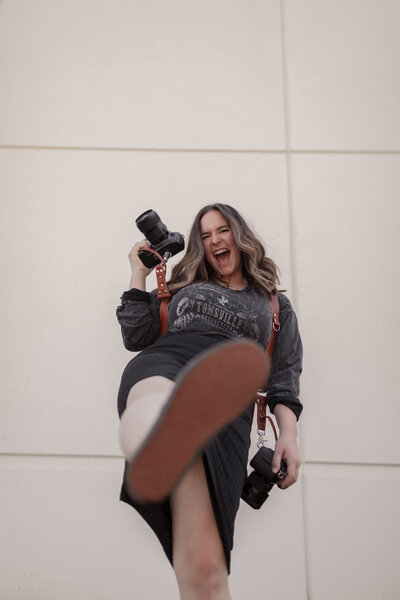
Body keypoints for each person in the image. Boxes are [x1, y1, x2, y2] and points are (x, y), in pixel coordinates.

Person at [116, 204, 303, 600]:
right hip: (168, 363)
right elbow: (135, 336)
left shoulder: (273, 306)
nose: (215, 240)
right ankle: (157, 439)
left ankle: (164, 438)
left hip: (225, 404)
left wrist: (288, 434)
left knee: (205, 566)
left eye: (222, 230)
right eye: (205, 235)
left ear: (240, 236)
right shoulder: (184, 288)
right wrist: (139, 273)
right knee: (155, 399)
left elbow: (284, 377)